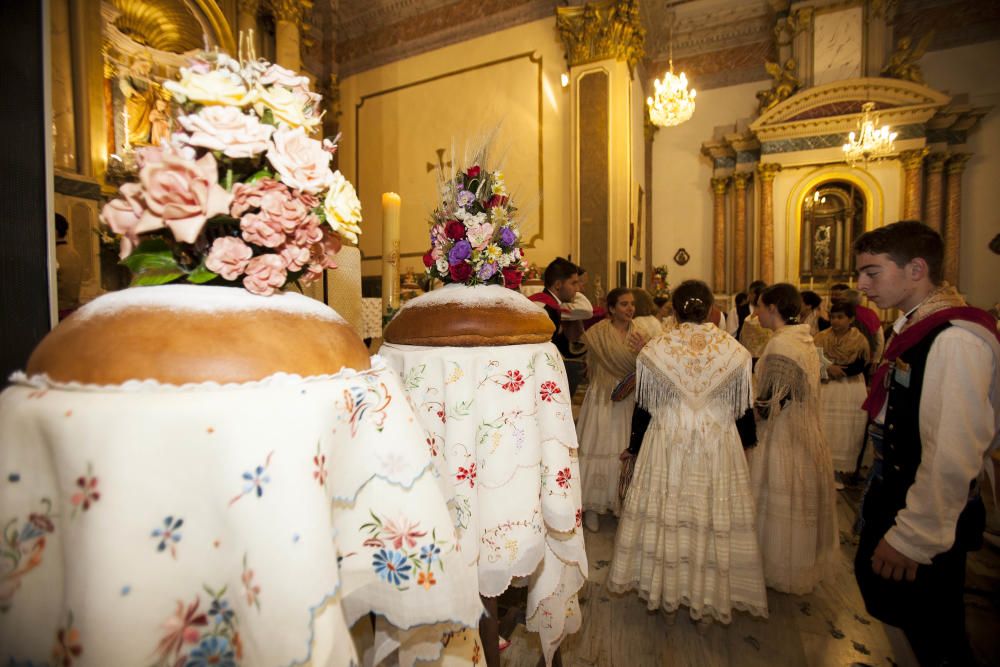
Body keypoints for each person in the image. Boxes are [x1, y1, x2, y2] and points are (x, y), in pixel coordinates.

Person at [853, 220, 1000, 666]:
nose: (862, 285)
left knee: (933, 630)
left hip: (919, 508)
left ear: (916, 269)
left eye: (872, 272)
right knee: (904, 613)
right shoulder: (919, 328)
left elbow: (952, 453)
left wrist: (914, 538)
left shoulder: (954, 339)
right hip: (896, 489)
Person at [608, 280, 767, 631]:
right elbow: (743, 410)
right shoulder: (735, 351)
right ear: (711, 309)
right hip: (717, 444)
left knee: (670, 514)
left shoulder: (656, 349)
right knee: (711, 518)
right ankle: (707, 599)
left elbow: (644, 408)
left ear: (675, 311)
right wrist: (747, 444)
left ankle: (666, 595)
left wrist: (633, 448)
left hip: (668, 442)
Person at [750, 283, 839, 594]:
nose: (756, 313)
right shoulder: (802, 337)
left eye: (759, 307)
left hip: (783, 433)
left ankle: (776, 564)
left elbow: (771, 402)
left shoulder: (781, 345)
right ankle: (794, 563)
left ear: (773, 308)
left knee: (779, 493)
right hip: (805, 428)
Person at [576, 287, 639, 531]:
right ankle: (591, 507)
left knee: (622, 447)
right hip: (602, 397)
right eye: (623, 304)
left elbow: (644, 367)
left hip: (627, 399)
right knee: (598, 444)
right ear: (611, 309)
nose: (630, 309)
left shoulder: (639, 335)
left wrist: (644, 350)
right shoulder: (596, 334)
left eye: (632, 304)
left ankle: (620, 503)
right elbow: (589, 366)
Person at [814, 302, 870, 484]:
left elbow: (862, 364)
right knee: (826, 427)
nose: (835, 321)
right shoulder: (821, 337)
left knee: (847, 430)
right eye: (833, 317)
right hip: (827, 386)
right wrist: (829, 368)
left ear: (851, 319)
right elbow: (813, 358)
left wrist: (841, 371)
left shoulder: (859, 339)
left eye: (840, 317)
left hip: (850, 387)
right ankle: (824, 469)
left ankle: (842, 471)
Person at [529, 258, 588, 396]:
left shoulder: (552, 306)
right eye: (573, 283)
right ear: (557, 285)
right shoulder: (542, 309)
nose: (577, 289)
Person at [831, 283, 884, 365]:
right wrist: (876, 360)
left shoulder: (845, 314)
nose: (839, 301)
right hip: (868, 356)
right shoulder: (870, 313)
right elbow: (879, 339)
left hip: (846, 358)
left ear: (848, 301)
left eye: (842, 299)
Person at [54, 213, 83, 319]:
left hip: (57, 312)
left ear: (55, 231)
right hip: (73, 311)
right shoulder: (74, 252)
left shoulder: (53, 255)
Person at [738, 282, 772, 365]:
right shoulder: (738, 311)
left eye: (751, 293)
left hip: (765, 359)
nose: (749, 296)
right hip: (747, 358)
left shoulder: (770, 316)